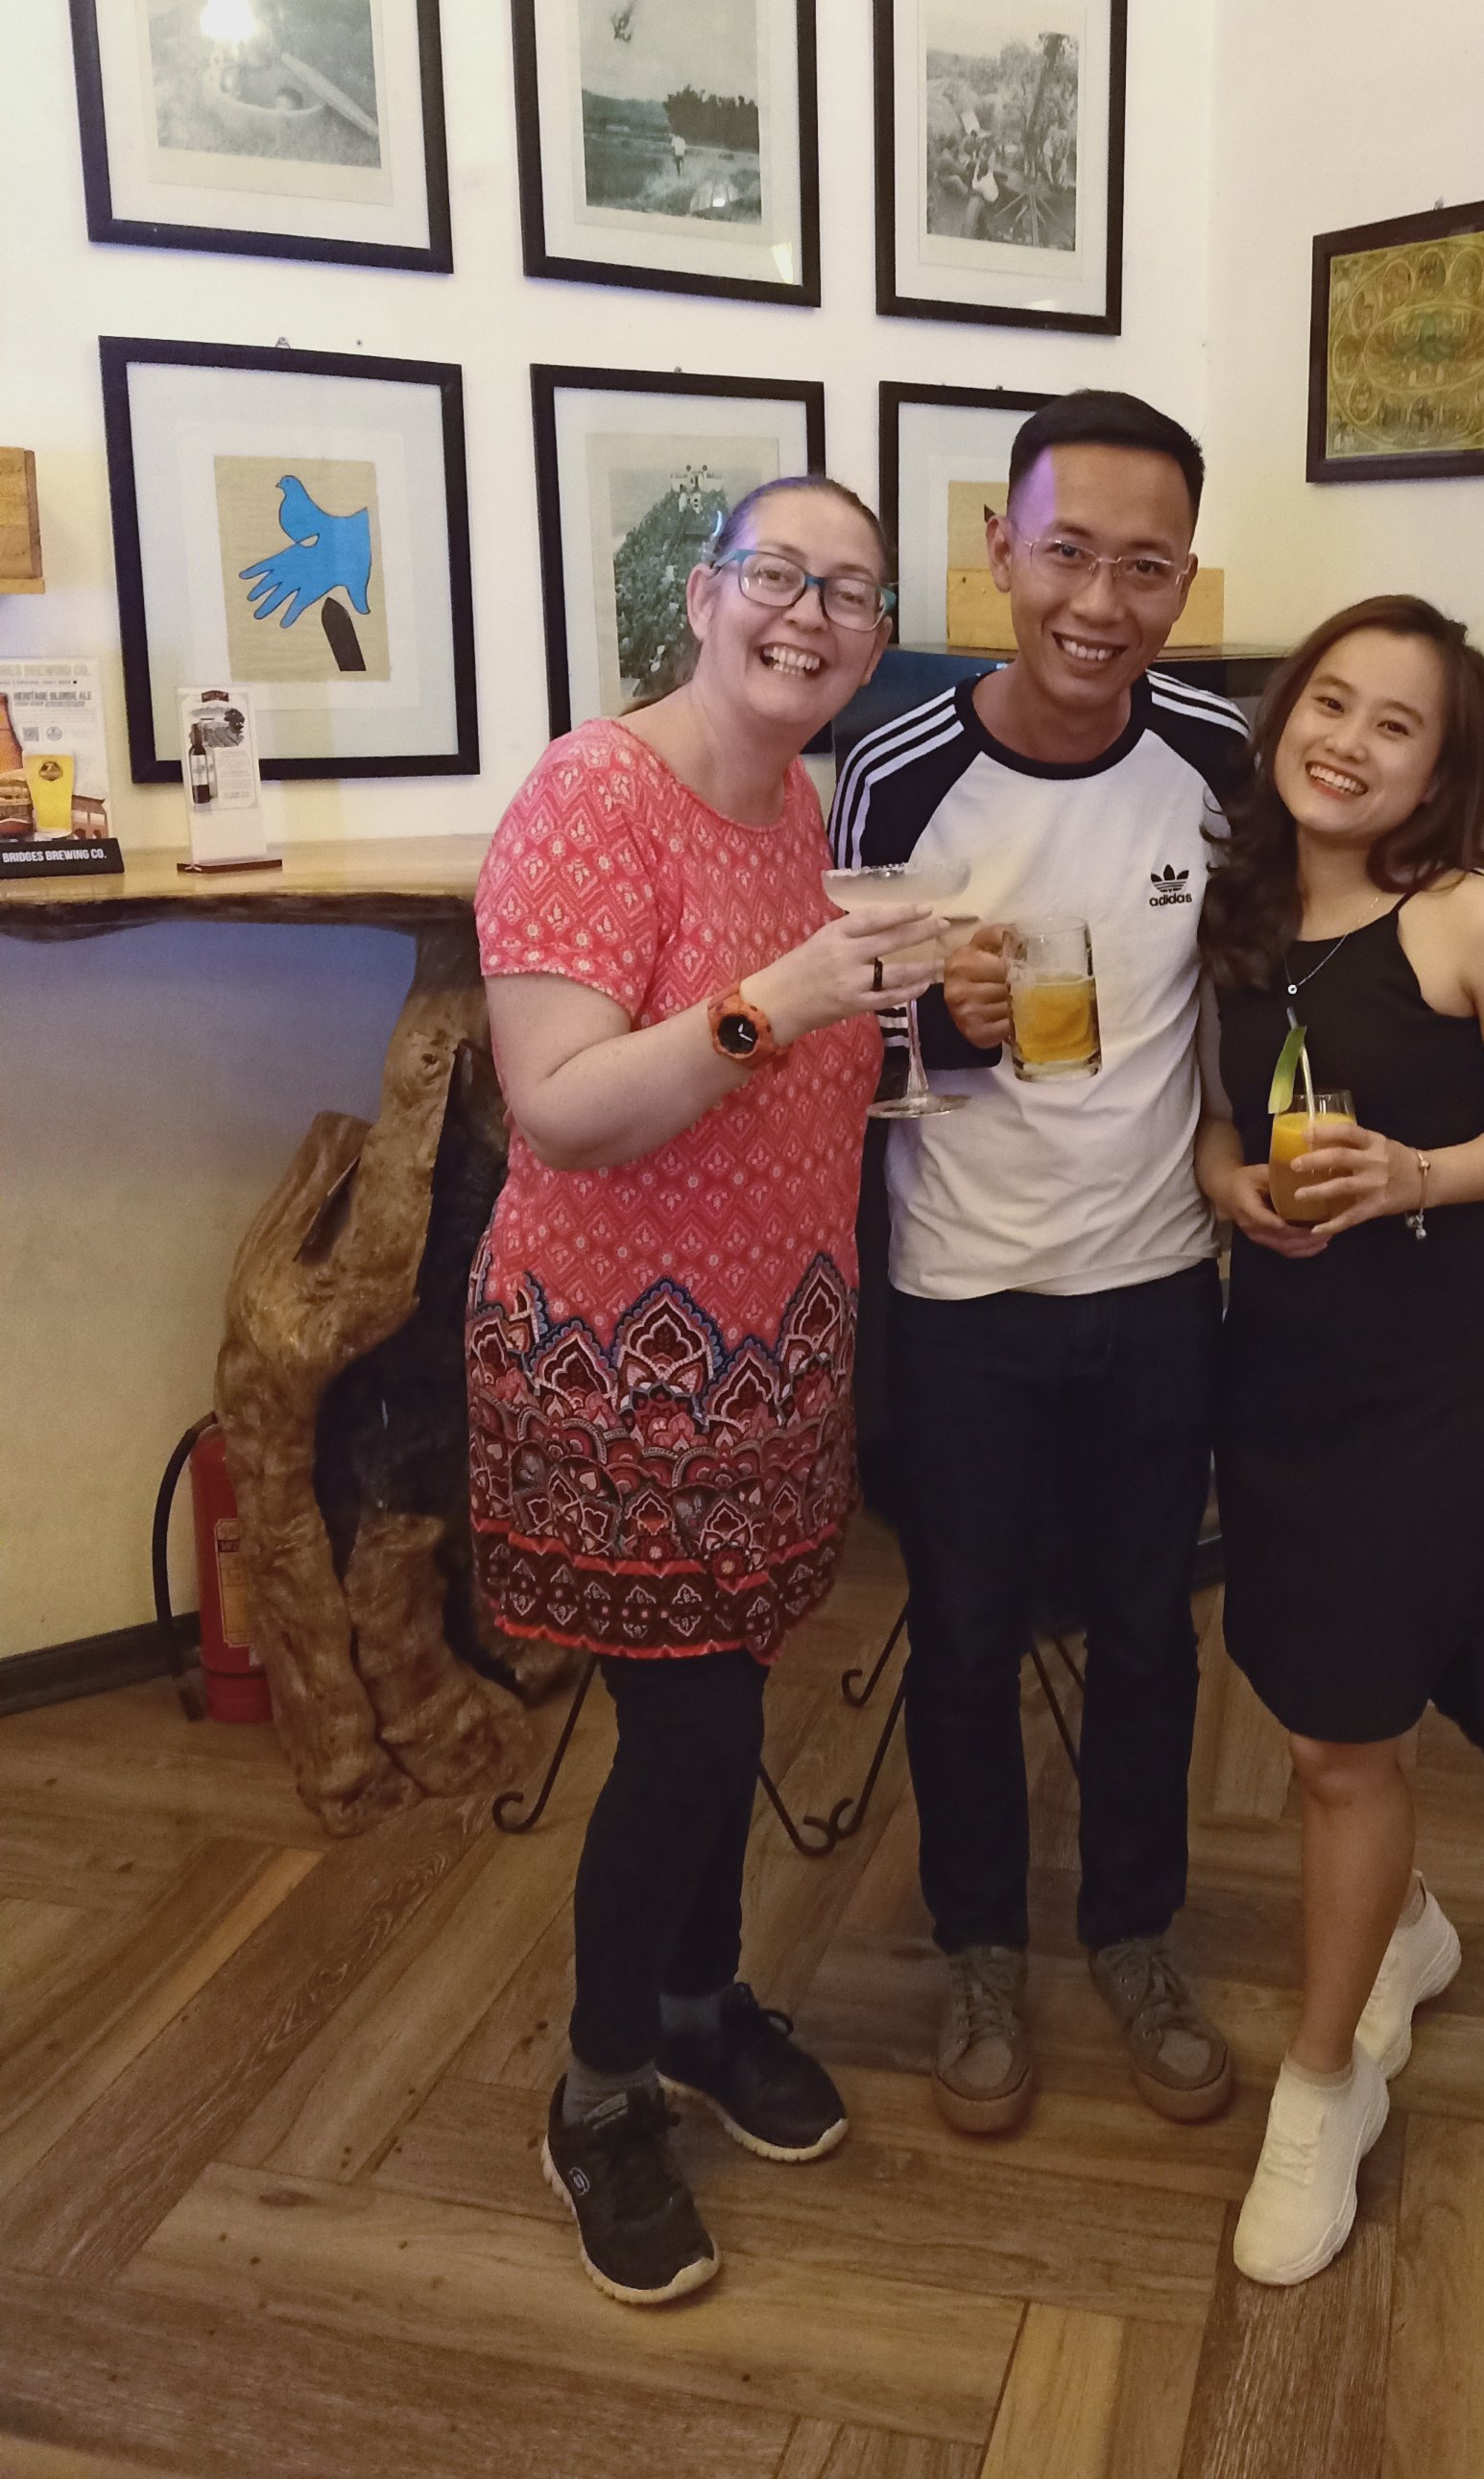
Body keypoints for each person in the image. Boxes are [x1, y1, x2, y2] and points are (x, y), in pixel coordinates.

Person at [466, 478, 942, 2307]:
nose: (812, 615)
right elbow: (563, 1108)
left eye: (852, 594)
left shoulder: (805, 806)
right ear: (700, 591)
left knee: (729, 1707)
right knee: (692, 1735)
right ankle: (599, 2092)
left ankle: (695, 2001)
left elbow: (811, 1068)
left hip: (774, 1357)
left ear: (874, 640)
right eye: (779, 575)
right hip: (618, 1370)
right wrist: (781, 997)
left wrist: (905, 1007)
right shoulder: (593, 795)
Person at [830, 390, 1246, 2139]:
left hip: (1157, 1280)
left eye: (1146, 567)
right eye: (1067, 552)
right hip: (963, 1288)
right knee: (967, 1636)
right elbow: (826, 1034)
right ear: (996, 551)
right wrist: (936, 1016)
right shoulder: (897, 768)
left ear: (1184, 581)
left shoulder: (1221, 752)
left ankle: (1135, 1935)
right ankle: (980, 1948)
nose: (1100, 601)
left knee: (1151, 1632)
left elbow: (1274, 969)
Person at [1195, 595, 1484, 2286]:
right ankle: (1406, 1927)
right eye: (1330, 701)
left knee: (1347, 1740)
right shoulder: (1244, 911)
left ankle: (1323, 2084)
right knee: (1306, 1700)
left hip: (1420, 1375)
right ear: (1285, 714)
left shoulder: (1473, 924)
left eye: (1396, 724)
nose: (1347, 742)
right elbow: (1219, 1124)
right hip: (1277, 1360)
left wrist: (1418, 1175)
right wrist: (1232, 1191)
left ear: (1442, 772)